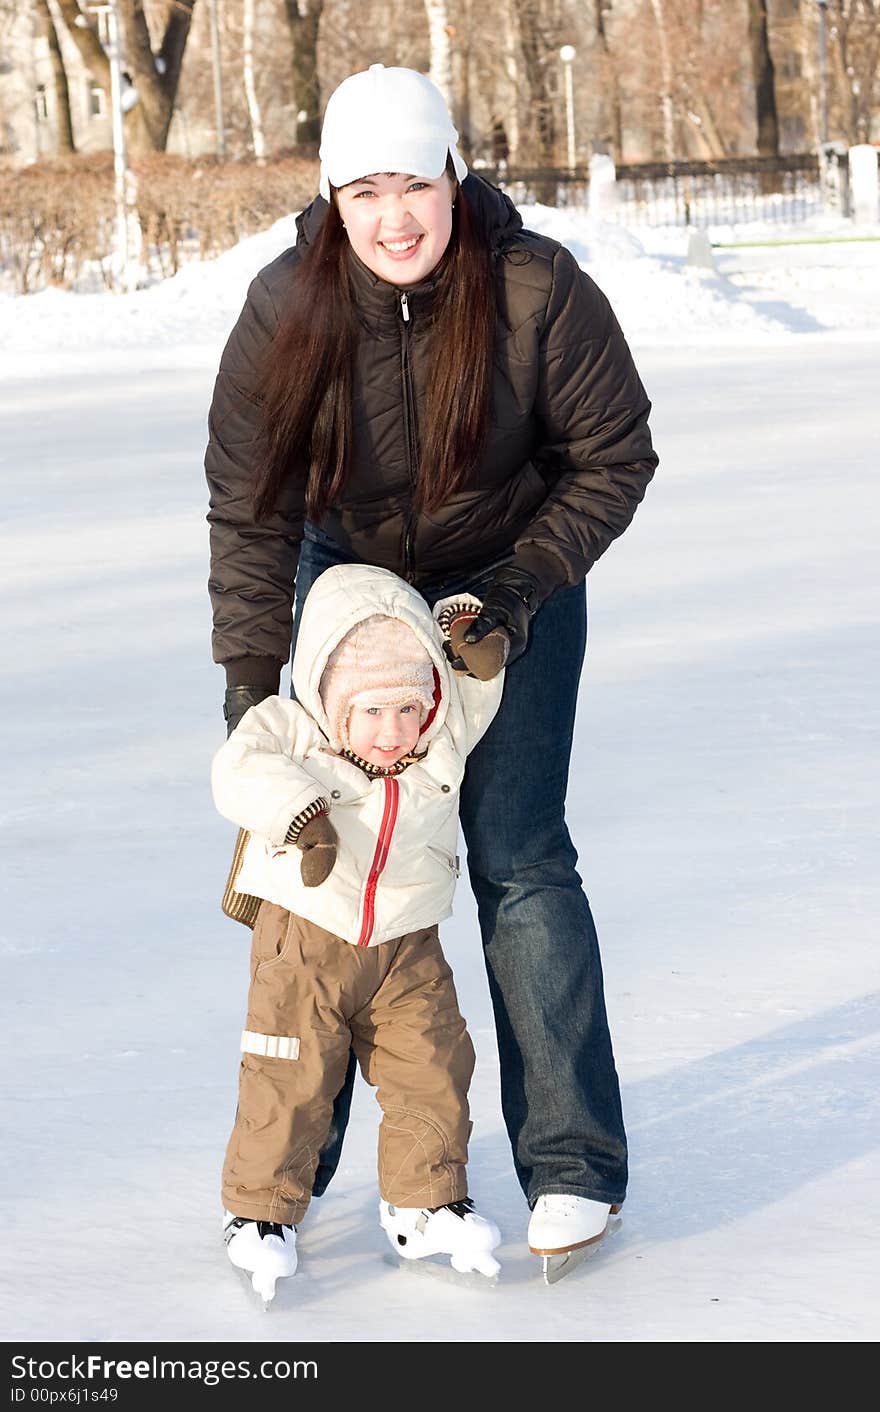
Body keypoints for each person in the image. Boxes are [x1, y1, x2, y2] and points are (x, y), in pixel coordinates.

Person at [205, 62, 659, 1262]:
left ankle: (571, 1163)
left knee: (518, 857)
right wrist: (253, 684)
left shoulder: (531, 288)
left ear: (453, 175)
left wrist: (516, 587)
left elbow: (614, 456)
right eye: (364, 192)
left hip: (505, 586)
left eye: (414, 181)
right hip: (346, 592)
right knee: (326, 884)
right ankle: (282, 1188)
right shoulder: (283, 306)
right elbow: (247, 510)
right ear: (334, 198)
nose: (394, 215)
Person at [212, 561, 506, 1301]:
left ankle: (426, 1202)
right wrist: (302, 815)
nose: (393, 731)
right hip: (304, 939)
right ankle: (258, 1212)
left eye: (408, 710)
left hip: (407, 946)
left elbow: (473, 684)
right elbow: (238, 768)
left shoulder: (439, 739)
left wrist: (468, 640)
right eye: (372, 713)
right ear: (335, 703)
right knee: (290, 1073)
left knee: (433, 1067)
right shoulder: (292, 727)